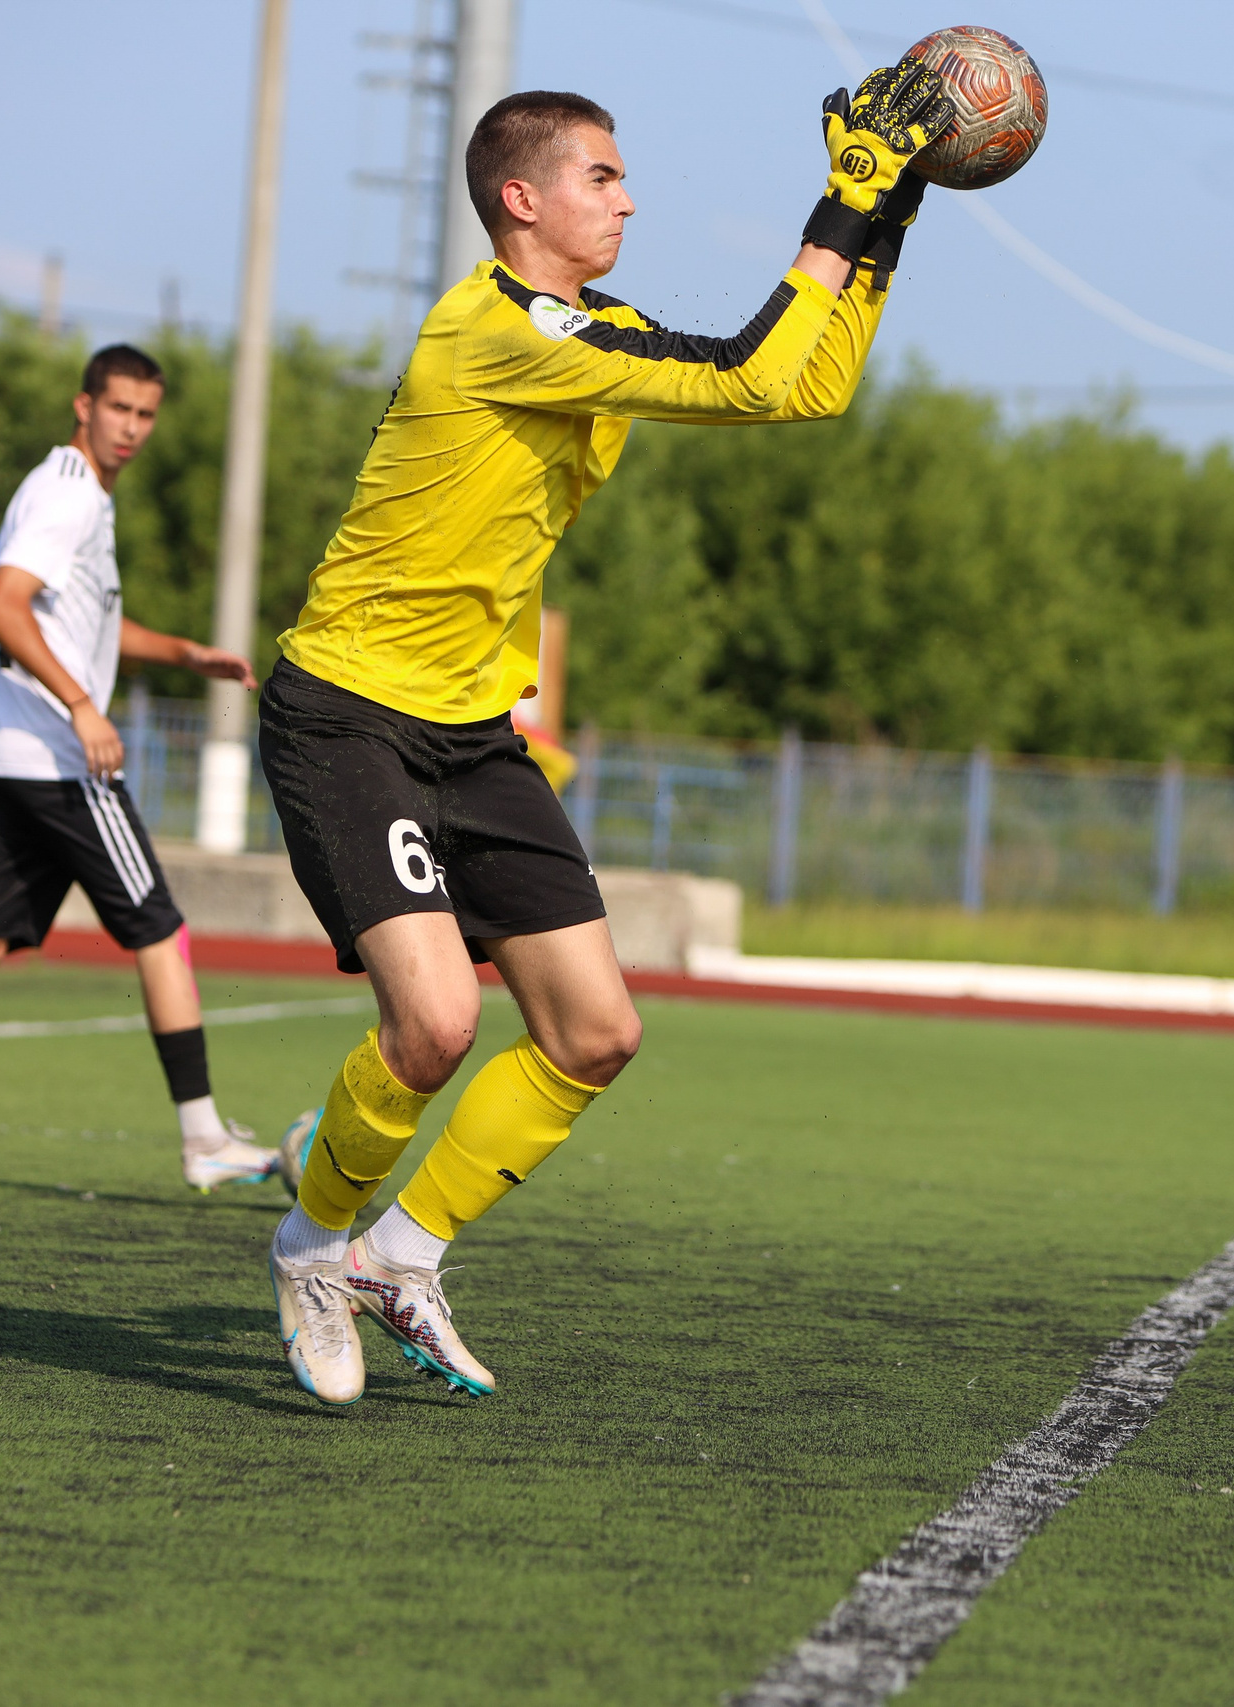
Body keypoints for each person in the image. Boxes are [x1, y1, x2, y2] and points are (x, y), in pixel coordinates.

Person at [258, 65, 953, 1404]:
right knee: (438, 1021)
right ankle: (309, 1245)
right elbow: (751, 372)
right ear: (521, 200)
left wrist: (892, 213)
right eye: (603, 177)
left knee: (595, 1030)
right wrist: (838, 204)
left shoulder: (590, 326)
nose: (630, 199)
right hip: (349, 711)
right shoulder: (497, 333)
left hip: (470, 723)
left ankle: (403, 1252)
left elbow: (800, 390)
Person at [0, 344, 285, 1201]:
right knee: (161, 929)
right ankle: (203, 1139)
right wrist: (84, 707)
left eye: (146, 414)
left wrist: (185, 654)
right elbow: (2, 606)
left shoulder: (72, 491)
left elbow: (80, 623)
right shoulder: (71, 493)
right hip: (53, 757)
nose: (131, 428)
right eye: (118, 408)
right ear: (82, 406)